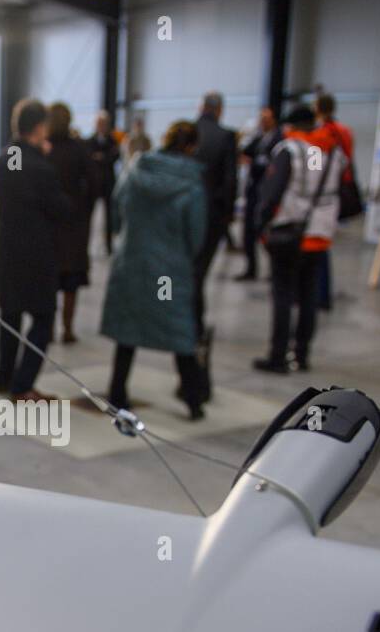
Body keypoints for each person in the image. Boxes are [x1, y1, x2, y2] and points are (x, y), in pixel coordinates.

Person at [101, 120, 208, 420]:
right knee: (179, 329)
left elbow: (116, 211)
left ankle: (117, 392)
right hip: (168, 272)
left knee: (128, 330)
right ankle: (193, 398)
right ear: (190, 146)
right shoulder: (192, 185)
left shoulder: (135, 171)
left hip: (132, 262)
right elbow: (196, 235)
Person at [252, 104, 348, 374]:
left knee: (282, 294)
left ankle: (278, 355)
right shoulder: (329, 151)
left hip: (291, 230)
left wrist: (261, 224)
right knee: (308, 296)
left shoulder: (291, 150)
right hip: (320, 233)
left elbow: (272, 192)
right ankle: (302, 354)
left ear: (291, 126)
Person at [0, 98, 72, 400]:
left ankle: (3, 377)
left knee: (10, 316)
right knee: (43, 318)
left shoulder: (2, 160)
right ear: (39, 128)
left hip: (7, 252)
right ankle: (23, 385)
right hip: (36, 255)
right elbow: (61, 209)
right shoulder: (40, 166)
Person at [45, 102, 93, 344]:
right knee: (70, 283)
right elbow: (93, 182)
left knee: (51, 280)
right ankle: (67, 328)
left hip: (49, 223)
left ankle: (50, 328)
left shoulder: (43, 150)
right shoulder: (78, 149)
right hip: (73, 222)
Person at [193, 92, 238, 337]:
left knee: (174, 273)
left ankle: (172, 311)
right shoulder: (226, 137)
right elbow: (231, 180)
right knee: (198, 271)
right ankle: (194, 323)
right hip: (211, 215)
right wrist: (227, 215)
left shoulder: (186, 132)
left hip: (182, 214)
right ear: (219, 110)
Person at [314, 93, 354, 312]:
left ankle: (318, 296)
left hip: (320, 199)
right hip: (335, 195)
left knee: (316, 248)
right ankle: (321, 295)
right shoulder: (344, 131)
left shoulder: (322, 134)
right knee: (322, 246)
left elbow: (312, 170)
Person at [237, 107, 282, 281]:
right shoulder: (259, 137)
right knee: (249, 232)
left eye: (266, 118)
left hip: (267, 193)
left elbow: (273, 166)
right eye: (261, 118)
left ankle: (274, 270)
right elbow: (245, 152)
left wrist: (255, 162)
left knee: (266, 233)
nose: (262, 122)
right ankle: (251, 268)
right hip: (254, 190)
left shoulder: (281, 141)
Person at [86, 110, 122, 255]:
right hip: (94, 182)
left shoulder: (113, 140)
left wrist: (102, 158)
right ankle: (87, 246)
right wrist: (102, 158)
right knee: (89, 215)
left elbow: (115, 156)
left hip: (108, 182)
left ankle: (109, 246)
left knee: (109, 216)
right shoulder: (89, 141)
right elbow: (89, 158)